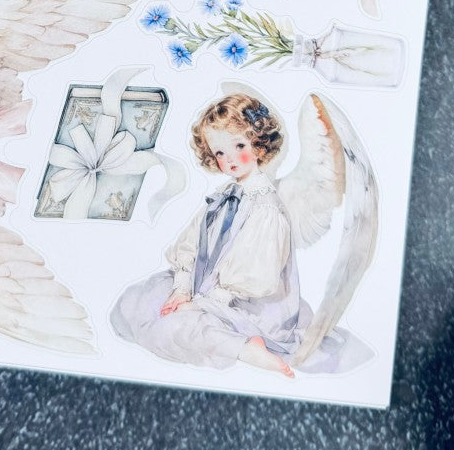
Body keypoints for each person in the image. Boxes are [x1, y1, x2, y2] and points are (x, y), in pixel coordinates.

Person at [111, 92, 310, 377]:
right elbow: (192, 241)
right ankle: (215, 328)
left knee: (179, 327)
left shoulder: (266, 208)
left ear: (258, 144)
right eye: (219, 153)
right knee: (135, 302)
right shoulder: (223, 195)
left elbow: (258, 274)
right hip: (203, 286)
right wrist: (182, 288)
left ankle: (245, 348)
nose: (229, 159)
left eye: (239, 146)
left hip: (244, 302)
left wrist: (204, 302)